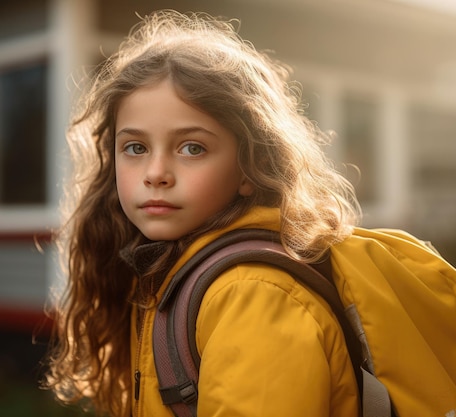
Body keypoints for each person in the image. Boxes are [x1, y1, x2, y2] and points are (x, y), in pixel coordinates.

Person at [46, 9, 362, 417]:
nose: (156, 173)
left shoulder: (252, 296)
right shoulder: (170, 270)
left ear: (250, 167)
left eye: (192, 147)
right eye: (136, 148)